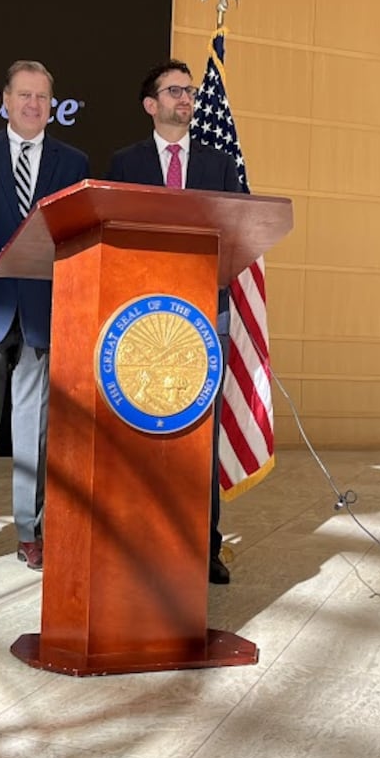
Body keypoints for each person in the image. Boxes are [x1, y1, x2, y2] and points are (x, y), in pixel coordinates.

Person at [0, 61, 90, 573]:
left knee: (36, 432)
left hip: (43, 318)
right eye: (24, 95)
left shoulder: (74, 164)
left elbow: (78, 244)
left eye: (42, 98)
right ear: (5, 100)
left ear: (53, 105)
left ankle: (32, 532)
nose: (33, 105)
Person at [105, 59, 244, 584]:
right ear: (151, 104)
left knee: (198, 437)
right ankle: (138, 539)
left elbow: (238, 231)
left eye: (190, 91)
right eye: (175, 91)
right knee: (142, 432)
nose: (186, 99)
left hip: (205, 314)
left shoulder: (219, 165)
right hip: (140, 319)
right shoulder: (124, 163)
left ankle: (202, 545)